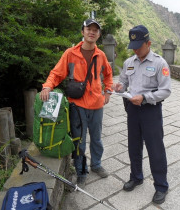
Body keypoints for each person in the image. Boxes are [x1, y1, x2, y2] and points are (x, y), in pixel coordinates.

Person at [40, 18, 113, 186]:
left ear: (99, 34)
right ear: (83, 32)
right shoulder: (70, 53)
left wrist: (108, 91)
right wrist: (47, 87)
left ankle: (96, 164)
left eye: (95, 30)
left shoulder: (100, 55)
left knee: (96, 138)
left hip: (96, 104)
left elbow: (108, 75)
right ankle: (81, 170)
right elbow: (56, 73)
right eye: (89, 29)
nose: (92, 32)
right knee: (78, 139)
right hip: (77, 104)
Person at [113, 25, 171, 204]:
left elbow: (165, 91)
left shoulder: (159, 63)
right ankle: (136, 176)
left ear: (149, 43)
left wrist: (145, 97)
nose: (136, 50)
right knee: (134, 146)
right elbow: (123, 81)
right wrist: (120, 87)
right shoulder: (129, 62)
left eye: (139, 46)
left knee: (155, 149)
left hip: (150, 111)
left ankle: (161, 186)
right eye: (134, 46)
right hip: (132, 110)